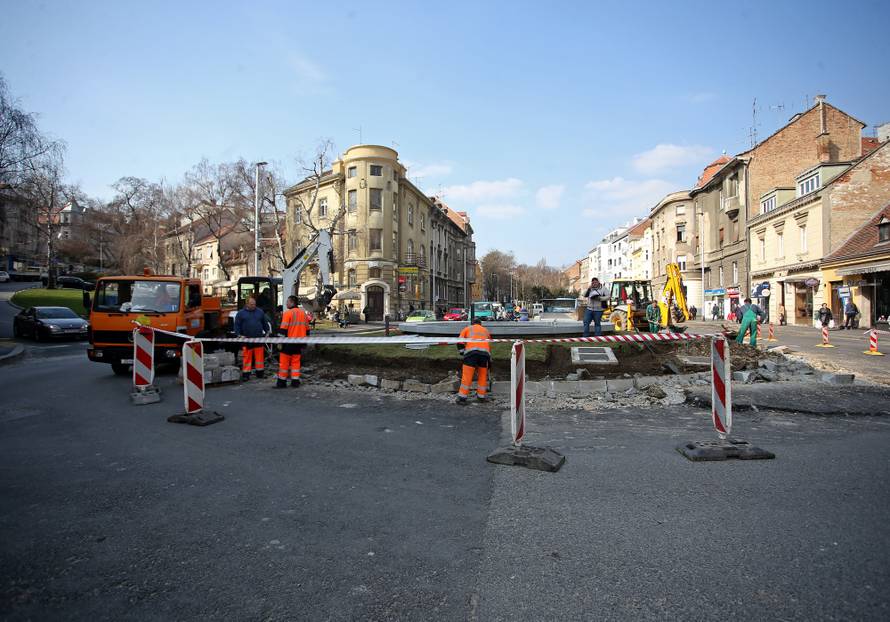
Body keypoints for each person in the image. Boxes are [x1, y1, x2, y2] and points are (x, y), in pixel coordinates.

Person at [234, 296, 271, 381]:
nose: (253, 306)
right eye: (251, 304)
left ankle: (260, 373)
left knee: (259, 358)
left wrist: (267, 332)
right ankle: (246, 374)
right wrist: (239, 335)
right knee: (247, 358)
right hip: (247, 340)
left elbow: (264, 323)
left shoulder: (260, 312)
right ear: (247, 304)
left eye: (254, 304)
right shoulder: (241, 313)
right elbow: (237, 326)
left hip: (258, 339)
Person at [456, 318, 491, 404]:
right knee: (482, 375)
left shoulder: (468, 328)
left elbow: (460, 341)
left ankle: (462, 398)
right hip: (484, 355)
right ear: (480, 324)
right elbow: (489, 343)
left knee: (467, 376)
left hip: (471, 354)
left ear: (472, 323)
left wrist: (462, 353)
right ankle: (481, 397)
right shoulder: (485, 331)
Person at [277, 296, 309, 388]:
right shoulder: (303, 314)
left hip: (288, 343)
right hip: (299, 343)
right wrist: (305, 343)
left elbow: (283, 330)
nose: (286, 304)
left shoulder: (287, 314)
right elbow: (307, 330)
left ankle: (281, 382)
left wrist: (279, 342)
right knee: (296, 363)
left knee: (284, 363)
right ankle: (295, 381)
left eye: (287, 302)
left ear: (292, 303)